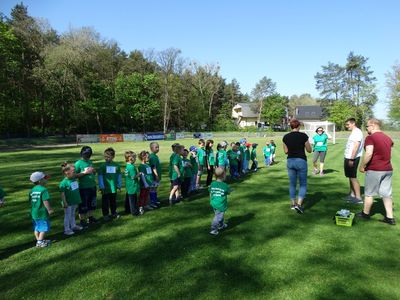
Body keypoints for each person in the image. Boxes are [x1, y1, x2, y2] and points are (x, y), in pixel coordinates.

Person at [358, 119, 395, 225]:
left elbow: (369, 153)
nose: (366, 129)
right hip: (388, 169)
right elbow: (390, 147)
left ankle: (365, 214)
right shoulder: (387, 137)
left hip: (375, 169)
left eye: (367, 126)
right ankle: (390, 218)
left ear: (373, 125)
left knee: (369, 193)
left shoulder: (370, 138)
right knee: (387, 194)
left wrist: (362, 166)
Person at [282, 119, 312, 214]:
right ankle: (299, 205)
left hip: (290, 161)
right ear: (298, 126)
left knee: (292, 183)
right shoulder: (303, 136)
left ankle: (293, 204)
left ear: (291, 126)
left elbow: (285, 151)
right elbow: (309, 150)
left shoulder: (285, 137)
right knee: (303, 184)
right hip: (301, 160)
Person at [75, 146, 98, 227]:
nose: (87, 156)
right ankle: (82, 220)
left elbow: (93, 172)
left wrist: (94, 171)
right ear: (82, 154)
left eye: (89, 154)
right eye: (86, 154)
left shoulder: (90, 162)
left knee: (92, 203)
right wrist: (85, 173)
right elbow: (74, 175)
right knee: (83, 204)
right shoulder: (78, 163)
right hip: (83, 187)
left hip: (92, 185)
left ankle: (90, 217)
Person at [29, 171, 53, 248]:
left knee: (37, 227)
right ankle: (39, 242)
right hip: (42, 212)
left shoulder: (32, 190)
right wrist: (49, 209)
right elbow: (45, 201)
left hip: (34, 212)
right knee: (43, 228)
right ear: (40, 181)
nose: (46, 180)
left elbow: (30, 201)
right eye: (45, 178)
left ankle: (39, 240)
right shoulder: (43, 190)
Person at [59, 163, 83, 235]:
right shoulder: (63, 183)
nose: (75, 173)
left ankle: (73, 226)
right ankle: (67, 229)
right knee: (67, 215)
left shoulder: (74, 179)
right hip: (68, 202)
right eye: (73, 171)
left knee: (73, 214)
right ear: (67, 172)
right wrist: (65, 202)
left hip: (74, 200)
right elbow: (62, 194)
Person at [98, 147, 122, 221]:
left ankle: (113, 213)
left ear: (113, 157)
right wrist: (101, 186)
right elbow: (100, 176)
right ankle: (105, 215)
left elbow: (119, 176)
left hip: (113, 187)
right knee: (105, 202)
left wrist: (119, 184)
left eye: (108, 157)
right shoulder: (102, 166)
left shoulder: (117, 165)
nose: (106, 158)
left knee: (113, 201)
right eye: (105, 156)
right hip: (105, 188)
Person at [344, 118, 364, 204]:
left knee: (353, 177)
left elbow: (356, 146)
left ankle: (358, 198)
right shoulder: (354, 132)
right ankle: (352, 195)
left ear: (353, 123)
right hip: (348, 157)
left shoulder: (357, 132)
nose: (346, 126)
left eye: (348, 124)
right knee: (350, 176)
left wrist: (352, 159)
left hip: (353, 158)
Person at [209, 167, 230, 235]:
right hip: (220, 204)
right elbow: (228, 192)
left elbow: (210, 192)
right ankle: (213, 229)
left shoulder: (212, 184)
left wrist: (211, 199)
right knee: (218, 217)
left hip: (213, 203)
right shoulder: (224, 185)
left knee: (218, 215)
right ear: (223, 175)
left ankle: (221, 225)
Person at [124, 151, 140, 216]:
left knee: (128, 197)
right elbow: (133, 177)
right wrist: (139, 174)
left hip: (128, 185)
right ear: (131, 159)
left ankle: (127, 210)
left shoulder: (127, 166)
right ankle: (134, 212)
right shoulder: (132, 167)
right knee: (133, 199)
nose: (135, 159)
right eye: (135, 158)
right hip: (132, 185)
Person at [149, 142, 161, 208]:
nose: (158, 148)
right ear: (151, 148)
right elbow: (153, 167)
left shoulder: (155, 156)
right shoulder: (152, 157)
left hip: (157, 176)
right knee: (152, 189)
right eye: (156, 147)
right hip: (154, 177)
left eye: (158, 147)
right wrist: (156, 175)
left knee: (155, 188)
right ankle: (152, 201)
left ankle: (155, 199)